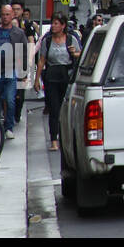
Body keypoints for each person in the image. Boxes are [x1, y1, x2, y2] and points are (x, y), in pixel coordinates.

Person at [35, 13, 81, 151]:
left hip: (66, 76)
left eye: (56, 23)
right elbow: (42, 60)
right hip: (51, 77)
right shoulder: (47, 41)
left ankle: (65, 136)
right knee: (54, 109)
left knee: (65, 109)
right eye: (53, 23)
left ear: (63, 26)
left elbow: (80, 54)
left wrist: (74, 53)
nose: (53, 26)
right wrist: (37, 79)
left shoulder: (71, 39)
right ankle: (54, 139)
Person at [0, 4, 28, 140]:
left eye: (7, 14)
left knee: (10, 100)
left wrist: (24, 73)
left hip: (11, 71)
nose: (5, 17)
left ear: (12, 16)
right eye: (3, 14)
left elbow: (24, 53)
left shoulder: (19, 33)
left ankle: (9, 127)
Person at [14, 4, 37, 122]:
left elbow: (31, 42)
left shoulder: (27, 25)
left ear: (22, 11)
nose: (15, 11)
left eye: (18, 9)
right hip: (7, 63)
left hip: (21, 62)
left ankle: (17, 113)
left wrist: (29, 60)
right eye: (13, 9)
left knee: (20, 91)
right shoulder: (3, 25)